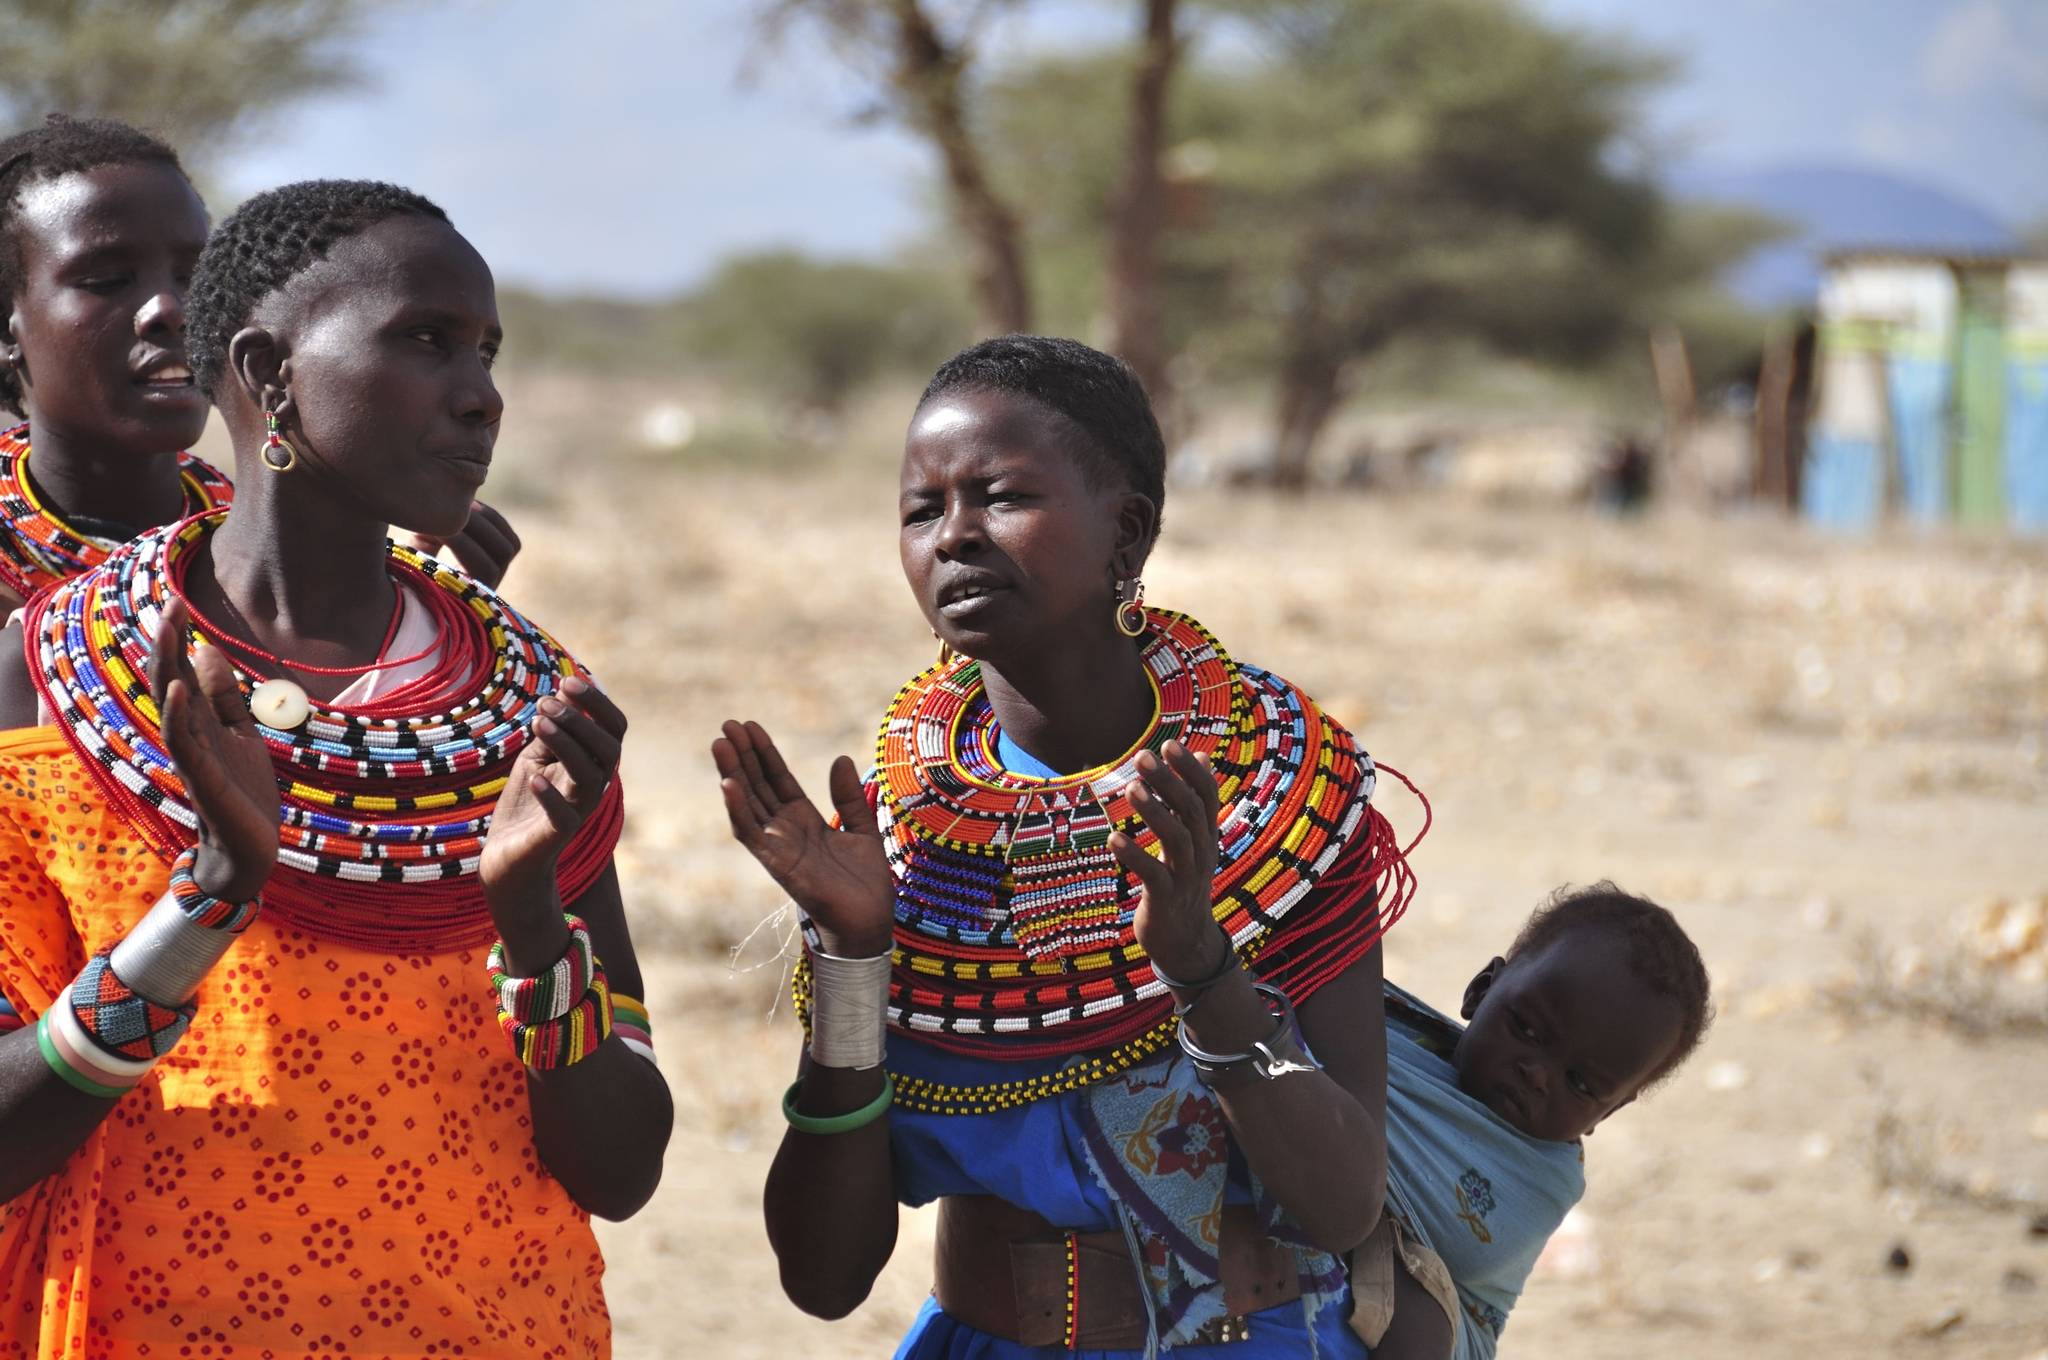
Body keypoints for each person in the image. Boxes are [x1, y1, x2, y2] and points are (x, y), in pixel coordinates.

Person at [0, 178, 671, 1359]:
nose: (481, 396)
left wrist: (527, 922)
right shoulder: (44, 682)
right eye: (424, 341)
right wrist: (204, 905)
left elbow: (618, 1171)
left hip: (498, 1325)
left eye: (486, 351)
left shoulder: (520, 703)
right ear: (267, 374)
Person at [714, 335, 1421, 1356]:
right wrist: (855, 957)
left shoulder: (1275, 792)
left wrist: (1199, 965)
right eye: (921, 509)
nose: (952, 536)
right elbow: (823, 1280)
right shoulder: (904, 845)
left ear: (1123, 533)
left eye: (998, 496)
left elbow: (1341, 1204)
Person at [0, 115, 520, 636]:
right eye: (107, 280)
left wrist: (418, 614)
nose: (172, 309)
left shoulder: (252, 556)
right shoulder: (25, 638)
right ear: (7, 333)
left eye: (195, 279)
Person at [1358, 884, 1713, 1360]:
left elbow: (1331, 1119)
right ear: (1480, 990)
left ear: (1607, 1111)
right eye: (1526, 1029)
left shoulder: (1541, 1180)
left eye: (1581, 1083)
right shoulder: (1389, 1036)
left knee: (1417, 1325)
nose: (1539, 1075)